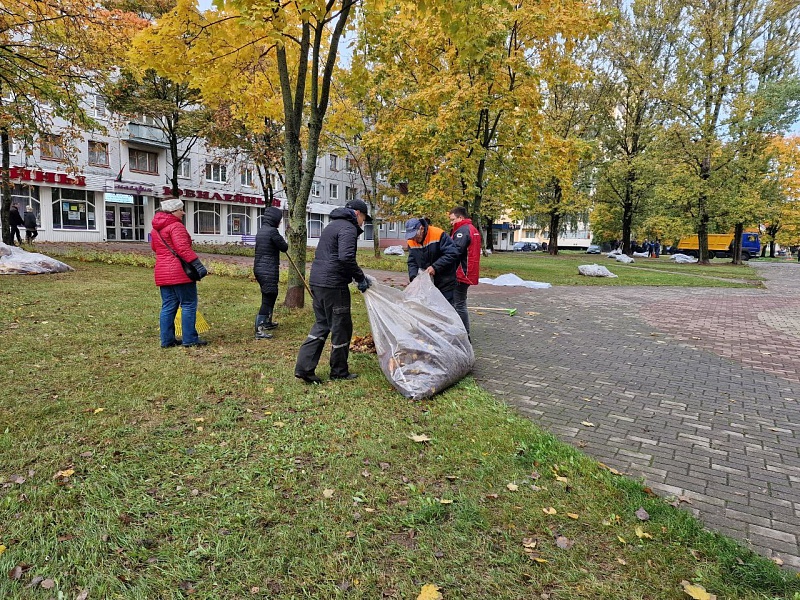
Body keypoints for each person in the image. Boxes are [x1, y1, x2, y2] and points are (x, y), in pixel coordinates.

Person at [294, 199, 372, 384]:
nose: (363, 223)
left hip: (318, 282)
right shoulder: (348, 228)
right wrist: (360, 278)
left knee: (322, 324)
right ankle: (339, 371)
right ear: (357, 214)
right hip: (334, 285)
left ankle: (304, 368)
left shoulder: (332, 225)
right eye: (363, 218)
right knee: (341, 327)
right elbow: (345, 257)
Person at [151, 198, 208, 348]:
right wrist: (198, 265)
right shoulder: (176, 226)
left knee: (168, 306)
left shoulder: (156, 228)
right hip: (180, 272)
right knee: (188, 304)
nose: (183, 212)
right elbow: (183, 249)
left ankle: (167, 340)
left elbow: (155, 248)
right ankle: (190, 339)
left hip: (162, 271)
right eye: (180, 209)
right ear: (172, 211)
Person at [405, 216, 460, 305]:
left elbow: (452, 253)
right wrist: (413, 278)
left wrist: (435, 267)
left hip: (445, 281)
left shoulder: (438, 234)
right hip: (427, 283)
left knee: (445, 309)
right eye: (411, 236)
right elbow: (412, 262)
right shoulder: (411, 242)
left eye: (415, 235)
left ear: (421, 229)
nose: (414, 239)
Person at [253, 206, 288, 339]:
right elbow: (284, 247)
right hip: (267, 269)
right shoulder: (272, 232)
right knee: (268, 297)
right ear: (274, 219)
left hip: (260, 269)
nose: (280, 222)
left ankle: (267, 322)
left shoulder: (262, 230)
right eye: (279, 219)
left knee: (271, 294)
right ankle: (259, 329)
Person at [448, 206, 482, 335]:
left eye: (452, 219)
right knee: (459, 303)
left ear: (460, 217)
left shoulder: (462, 231)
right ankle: (460, 332)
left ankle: (463, 334)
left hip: (461, 273)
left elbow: (455, 251)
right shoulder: (472, 229)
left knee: (458, 305)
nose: (451, 223)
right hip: (468, 272)